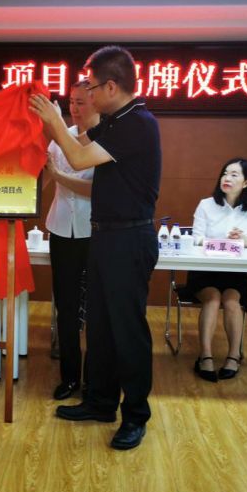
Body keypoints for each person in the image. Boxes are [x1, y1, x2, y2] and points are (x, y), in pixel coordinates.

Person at [30, 45, 161, 451]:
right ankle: (101, 402)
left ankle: (135, 415)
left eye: (90, 86)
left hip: (129, 237)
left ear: (111, 86)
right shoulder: (116, 121)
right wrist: (56, 123)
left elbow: (77, 156)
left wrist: (54, 120)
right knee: (101, 327)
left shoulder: (138, 122)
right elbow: (81, 139)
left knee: (127, 330)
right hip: (104, 235)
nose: (86, 93)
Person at [43, 81, 98, 400]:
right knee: (65, 306)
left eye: (81, 102)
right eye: (71, 102)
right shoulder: (58, 140)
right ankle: (69, 377)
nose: (74, 109)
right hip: (62, 228)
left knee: (96, 309)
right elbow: (43, 181)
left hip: (95, 231)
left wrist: (59, 176)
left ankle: (94, 377)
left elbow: (95, 191)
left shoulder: (105, 139)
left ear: (97, 102)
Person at [189, 158, 247, 382]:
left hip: (234, 271)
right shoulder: (206, 204)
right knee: (212, 298)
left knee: (231, 301)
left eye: (233, 174)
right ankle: (205, 356)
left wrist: (243, 238)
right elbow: (196, 238)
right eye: (225, 173)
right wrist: (222, 241)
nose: (227, 178)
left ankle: (233, 356)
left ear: (246, 182)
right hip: (204, 269)